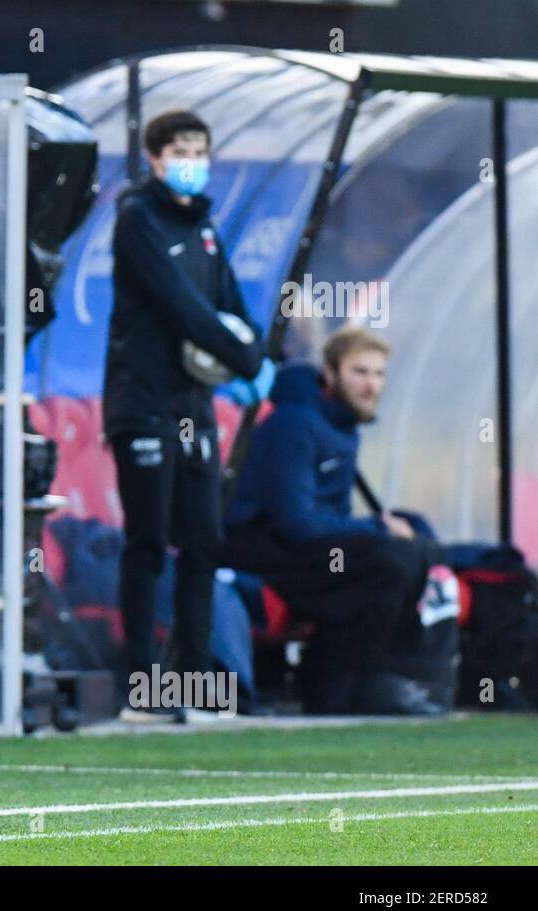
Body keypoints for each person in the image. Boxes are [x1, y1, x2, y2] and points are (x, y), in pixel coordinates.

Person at [103, 109, 269, 721]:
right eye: (180, 148)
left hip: (194, 409)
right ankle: (141, 694)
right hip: (143, 404)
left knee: (204, 542)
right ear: (153, 156)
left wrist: (253, 347)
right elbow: (184, 309)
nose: (191, 159)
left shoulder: (206, 227)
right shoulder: (136, 219)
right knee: (147, 545)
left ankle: (195, 684)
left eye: (201, 147)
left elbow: (229, 303)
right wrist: (247, 359)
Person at [221, 327, 445, 716]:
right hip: (262, 549)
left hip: (306, 549)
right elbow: (297, 522)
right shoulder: (294, 424)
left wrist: (376, 529)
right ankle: (360, 682)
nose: (371, 384)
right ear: (330, 372)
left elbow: (332, 517)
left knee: (417, 541)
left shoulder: (343, 427)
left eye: (379, 374)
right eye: (359, 372)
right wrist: (375, 529)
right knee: (392, 558)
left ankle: (349, 683)